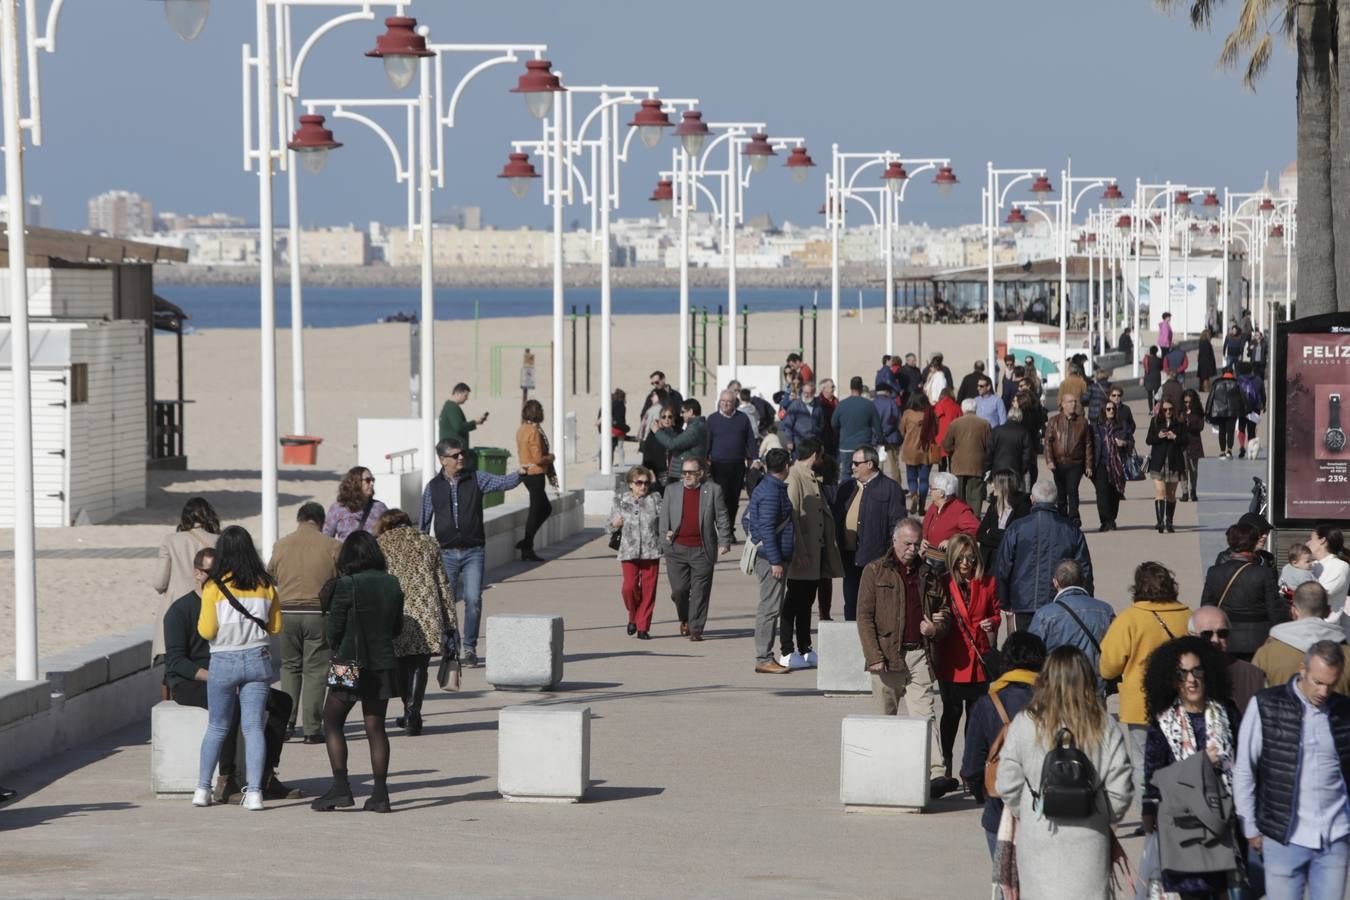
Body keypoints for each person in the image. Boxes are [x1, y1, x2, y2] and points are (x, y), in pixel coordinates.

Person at [995, 647, 1135, 900]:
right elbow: (1121, 788)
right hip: (1090, 838)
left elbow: (1006, 783)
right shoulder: (1104, 724)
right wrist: (1099, 815)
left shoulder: (1025, 722)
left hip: (1038, 834)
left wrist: (1028, 810)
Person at [166, 546, 297, 803]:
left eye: (221, 571)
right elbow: (176, 661)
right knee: (230, 712)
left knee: (282, 702)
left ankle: (266, 774)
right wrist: (214, 675)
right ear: (197, 573)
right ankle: (226, 778)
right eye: (210, 572)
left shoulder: (225, 598)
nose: (217, 576)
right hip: (192, 680)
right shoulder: (180, 610)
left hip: (230, 671)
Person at [1233, 641, 1350, 900]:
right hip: (1284, 837)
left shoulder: (1344, 711)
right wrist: (1250, 826)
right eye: (1318, 682)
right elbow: (1244, 768)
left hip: (1335, 836)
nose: (1324, 691)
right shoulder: (1266, 705)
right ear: (1302, 670)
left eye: (1331, 684)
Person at [1140, 636, 1243, 897]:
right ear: (1171, 679)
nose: (1191, 679)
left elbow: (1243, 761)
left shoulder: (1226, 711)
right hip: (1183, 825)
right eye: (1182, 673)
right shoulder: (1163, 722)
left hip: (1224, 820)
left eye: (1197, 670)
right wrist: (1148, 813)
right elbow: (1154, 777)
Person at [310, 532, 405, 814]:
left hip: (348, 664)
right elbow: (396, 628)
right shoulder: (391, 583)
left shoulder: (346, 584)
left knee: (332, 722)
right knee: (376, 728)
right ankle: (380, 794)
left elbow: (332, 631)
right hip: (383, 663)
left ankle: (341, 787)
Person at [855, 518, 952, 789]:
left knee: (925, 715)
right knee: (884, 718)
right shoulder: (874, 571)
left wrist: (936, 627)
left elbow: (944, 610)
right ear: (894, 541)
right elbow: (863, 617)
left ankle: (935, 775)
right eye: (906, 543)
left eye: (915, 543)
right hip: (886, 657)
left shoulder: (929, 574)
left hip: (919, 654)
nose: (911, 549)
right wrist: (873, 656)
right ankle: (879, 772)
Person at [193, 525, 282, 811]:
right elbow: (276, 626)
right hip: (257, 658)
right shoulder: (265, 584)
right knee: (254, 727)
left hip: (224, 660)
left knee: (217, 726)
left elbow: (207, 630)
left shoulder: (213, 586)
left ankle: (202, 789)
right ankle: (254, 793)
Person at [419, 436, 525, 668]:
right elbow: (424, 524)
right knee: (446, 603)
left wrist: (521, 473)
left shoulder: (476, 478)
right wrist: (423, 554)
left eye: (461, 454)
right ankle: (450, 647)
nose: (460, 458)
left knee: (473, 599)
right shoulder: (432, 488)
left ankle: (469, 647)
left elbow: (504, 483)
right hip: (445, 553)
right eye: (455, 455)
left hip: (474, 551)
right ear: (442, 459)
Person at [1099, 561, 1193, 798]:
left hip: (1141, 701)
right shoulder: (1187, 615)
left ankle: (1150, 814)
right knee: (1178, 756)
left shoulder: (1129, 619)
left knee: (1143, 760)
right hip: (1180, 698)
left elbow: (1109, 667)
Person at [961, 631, 1047, 857]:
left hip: (999, 812)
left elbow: (971, 767)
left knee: (1006, 886)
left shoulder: (986, 704)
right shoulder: (1054, 701)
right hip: (1046, 813)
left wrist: (985, 796)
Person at [376, 509, 455, 737]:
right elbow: (443, 584)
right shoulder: (429, 543)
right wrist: (450, 623)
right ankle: (413, 712)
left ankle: (409, 710)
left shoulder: (381, 544)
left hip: (396, 612)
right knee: (419, 664)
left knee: (400, 663)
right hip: (426, 611)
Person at [267, 501, 340, 745]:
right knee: (316, 670)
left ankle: (286, 724)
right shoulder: (332, 546)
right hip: (318, 614)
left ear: (299, 519)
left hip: (287, 612)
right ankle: (311, 728)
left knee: (289, 667)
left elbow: (271, 575)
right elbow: (341, 577)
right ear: (321, 521)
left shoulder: (281, 544)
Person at [935, 534, 999, 791]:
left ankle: (971, 769)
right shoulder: (943, 583)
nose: (966, 563)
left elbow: (995, 612)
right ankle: (945, 765)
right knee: (951, 714)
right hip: (952, 660)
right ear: (952, 559)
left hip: (979, 661)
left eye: (970, 558)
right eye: (960, 558)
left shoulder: (988, 583)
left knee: (975, 719)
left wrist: (992, 623)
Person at [995, 480, 1094, 633]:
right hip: (1060, 603)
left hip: (1023, 603)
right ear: (1055, 501)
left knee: (1025, 653)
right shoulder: (1071, 530)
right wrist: (1086, 598)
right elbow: (1084, 569)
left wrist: (1004, 601)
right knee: (1055, 653)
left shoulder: (1017, 528)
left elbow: (1003, 567)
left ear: (1032, 500)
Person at [781, 438, 842, 667]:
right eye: (822, 455)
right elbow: (793, 516)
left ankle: (805, 647)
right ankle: (787, 650)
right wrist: (800, 550)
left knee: (807, 601)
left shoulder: (812, 476)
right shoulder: (795, 476)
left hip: (816, 553)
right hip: (803, 554)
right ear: (815, 454)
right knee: (793, 602)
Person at [658, 457, 731, 642]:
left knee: (700, 591)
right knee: (679, 591)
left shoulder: (713, 490)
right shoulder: (671, 490)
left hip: (702, 549)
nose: (687, 476)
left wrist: (724, 541)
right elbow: (663, 519)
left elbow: (722, 516)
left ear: (700, 473)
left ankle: (696, 628)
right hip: (676, 549)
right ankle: (685, 618)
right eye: (684, 472)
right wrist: (665, 545)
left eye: (691, 472)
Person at [832, 444, 906, 622]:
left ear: (870, 464)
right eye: (852, 463)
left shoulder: (891, 489)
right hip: (849, 558)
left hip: (875, 560)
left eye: (857, 463)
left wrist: (892, 556)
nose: (852, 467)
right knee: (851, 602)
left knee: (874, 605)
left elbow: (897, 525)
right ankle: (852, 640)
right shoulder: (847, 487)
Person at [1200, 521, 1287, 660]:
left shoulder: (1214, 572)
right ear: (1253, 543)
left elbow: (1207, 606)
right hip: (1259, 639)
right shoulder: (1263, 573)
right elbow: (1274, 609)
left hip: (1226, 637)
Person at [1028, 559, 1115, 691]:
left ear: (1055, 582)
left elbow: (1031, 655)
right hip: (1095, 687)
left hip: (1058, 689)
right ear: (1083, 580)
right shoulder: (1105, 610)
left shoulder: (1044, 615)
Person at [152, 496, 222, 660]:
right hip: (210, 606)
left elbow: (159, 583)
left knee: (174, 664)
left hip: (178, 608)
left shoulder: (171, 541)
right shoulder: (219, 541)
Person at [745, 448, 795, 674]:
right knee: (769, 608)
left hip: (770, 555)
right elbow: (765, 527)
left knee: (771, 607)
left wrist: (754, 534)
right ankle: (764, 657)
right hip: (770, 559)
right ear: (786, 467)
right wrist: (775, 559)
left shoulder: (765, 487)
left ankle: (765, 656)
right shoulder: (772, 492)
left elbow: (747, 519)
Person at [1254, 582, 1350, 694]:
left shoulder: (1266, 652)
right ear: (1328, 611)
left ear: (1293, 611)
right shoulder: (1346, 654)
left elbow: (1254, 692)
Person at [609, 466, 663, 640]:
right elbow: (608, 526)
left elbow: (664, 521)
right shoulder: (620, 500)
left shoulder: (655, 499)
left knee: (649, 590)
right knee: (629, 587)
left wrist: (667, 533)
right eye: (639, 482)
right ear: (630, 484)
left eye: (646, 483)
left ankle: (643, 626)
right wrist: (614, 524)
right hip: (628, 551)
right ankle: (633, 616)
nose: (643, 486)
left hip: (651, 550)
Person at [1190, 604, 1268, 718]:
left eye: (1222, 634)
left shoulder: (1253, 675)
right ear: (1191, 636)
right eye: (1207, 634)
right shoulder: (1179, 674)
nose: (1215, 640)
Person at [706, 390, 760, 540]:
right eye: (722, 401)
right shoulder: (712, 419)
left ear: (734, 403)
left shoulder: (742, 419)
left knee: (733, 499)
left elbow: (750, 439)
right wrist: (704, 459)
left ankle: (729, 529)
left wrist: (755, 458)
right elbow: (707, 441)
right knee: (720, 499)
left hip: (737, 465)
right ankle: (724, 530)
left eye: (728, 401)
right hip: (718, 465)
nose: (725, 404)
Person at [515, 399, 556, 563]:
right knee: (537, 511)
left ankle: (526, 543)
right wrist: (551, 457)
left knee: (544, 508)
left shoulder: (521, 429)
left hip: (526, 472)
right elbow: (539, 458)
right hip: (536, 474)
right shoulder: (533, 431)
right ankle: (527, 546)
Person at [1044, 393, 1093, 528]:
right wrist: (1049, 460)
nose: (1073, 404)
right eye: (1070, 402)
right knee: (1061, 492)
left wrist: (1089, 465)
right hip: (1058, 464)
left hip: (1075, 463)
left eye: (1075, 402)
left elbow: (1088, 444)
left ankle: (1074, 518)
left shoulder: (1082, 422)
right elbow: (1047, 442)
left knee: (1072, 490)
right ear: (1063, 404)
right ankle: (1061, 517)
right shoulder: (1054, 421)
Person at [1145, 395, 1187, 534]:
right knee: (1160, 492)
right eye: (1165, 410)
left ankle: (1169, 521)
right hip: (1159, 462)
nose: (1167, 412)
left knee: (1171, 494)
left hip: (1174, 462)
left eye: (1170, 409)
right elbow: (1148, 440)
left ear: (1173, 410)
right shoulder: (1155, 422)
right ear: (1161, 410)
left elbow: (1185, 441)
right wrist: (1158, 437)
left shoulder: (1179, 423)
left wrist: (1175, 437)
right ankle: (1160, 522)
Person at [1089, 395, 1132, 532]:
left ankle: (1112, 519)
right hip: (1101, 463)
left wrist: (1124, 443)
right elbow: (1089, 446)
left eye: (1113, 409)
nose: (1111, 411)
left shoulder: (1122, 425)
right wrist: (1089, 465)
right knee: (1102, 493)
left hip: (1118, 464)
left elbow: (1131, 442)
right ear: (1103, 411)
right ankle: (1104, 521)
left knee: (1114, 493)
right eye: (1108, 409)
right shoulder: (1096, 428)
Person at [975, 470, 1031, 574]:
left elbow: (1016, 537)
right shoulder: (994, 506)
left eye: (993, 483)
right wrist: (1003, 536)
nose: (990, 486)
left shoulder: (1022, 507)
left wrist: (992, 532)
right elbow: (980, 534)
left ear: (1002, 485)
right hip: (990, 560)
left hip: (1010, 560)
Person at [942, 399, 992, 511]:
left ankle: (960, 517)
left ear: (963, 409)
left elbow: (946, 445)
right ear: (975, 409)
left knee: (959, 495)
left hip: (958, 465)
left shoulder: (955, 423)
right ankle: (974, 519)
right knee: (975, 495)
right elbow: (989, 446)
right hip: (977, 465)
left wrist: (953, 451)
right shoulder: (985, 424)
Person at [921, 471, 980, 563]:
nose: (930, 491)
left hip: (947, 561)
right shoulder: (933, 506)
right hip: (929, 557)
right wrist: (923, 538)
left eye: (932, 488)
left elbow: (975, 529)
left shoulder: (960, 510)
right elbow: (925, 527)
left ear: (941, 493)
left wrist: (953, 542)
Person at [900, 392, 941, 514]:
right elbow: (936, 431)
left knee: (911, 478)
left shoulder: (907, 414)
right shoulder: (931, 414)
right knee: (924, 479)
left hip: (910, 450)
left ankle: (914, 496)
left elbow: (902, 431)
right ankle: (922, 505)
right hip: (926, 450)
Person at [653, 398, 711, 481]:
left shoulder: (695, 428)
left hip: (689, 472)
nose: (681, 415)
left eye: (683, 412)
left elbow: (672, 444)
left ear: (690, 412)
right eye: (663, 417)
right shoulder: (697, 426)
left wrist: (657, 431)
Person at [323, 467, 388, 541]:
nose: (372, 484)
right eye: (368, 480)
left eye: (373, 480)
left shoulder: (380, 507)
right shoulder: (337, 508)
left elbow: (389, 536)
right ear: (355, 482)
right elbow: (326, 538)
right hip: (346, 552)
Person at [831, 376, 882, 470]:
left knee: (846, 472)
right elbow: (878, 426)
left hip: (846, 446)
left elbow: (834, 424)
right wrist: (881, 441)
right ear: (861, 388)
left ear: (850, 387)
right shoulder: (869, 405)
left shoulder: (841, 405)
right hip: (864, 445)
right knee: (864, 474)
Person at [437, 382, 487, 467]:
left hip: (451, 450)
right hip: (454, 451)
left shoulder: (449, 406)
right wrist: (475, 422)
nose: (466, 398)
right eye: (465, 396)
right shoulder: (452, 407)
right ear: (458, 393)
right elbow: (459, 427)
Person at [1205, 366, 1248, 461]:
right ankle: (1229, 450)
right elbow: (1243, 398)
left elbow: (1211, 397)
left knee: (1222, 431)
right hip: (1233, 411)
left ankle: (1222, 451)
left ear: (1223, 373)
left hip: (1219, 411)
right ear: (1232, 373)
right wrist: (1246, 409)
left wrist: (1207, 411)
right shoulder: (1237, 383)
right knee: (1231, 431)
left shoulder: (1216, 383)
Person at [988, 405, 1035, 489]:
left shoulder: (997, 430)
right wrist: (1022, 469)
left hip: (998, 471)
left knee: (1000, 496)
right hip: (1016, 471)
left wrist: (988, 468)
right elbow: (1027, 455)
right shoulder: (1024, 432)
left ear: (1008, 416)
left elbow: (990, 452)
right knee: (1014, 497)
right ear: (1020, 417)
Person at [1310, 525, 1350, 617]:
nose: (1308, 543)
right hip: (1305, 623)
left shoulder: (1340, 566)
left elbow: (1321, 595)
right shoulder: (1311, 565)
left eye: (1311, 539)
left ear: (1322, 540)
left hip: (1325, 626)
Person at [779, 381, 823, 459]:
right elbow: (787, 425)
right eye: (804, 392)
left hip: (813, 442)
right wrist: (789, 441)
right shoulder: (795, 405)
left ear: (813, 392)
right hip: (799, 443)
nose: (806, 395)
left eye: (808, 393)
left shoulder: (818, 405)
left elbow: (821, 423)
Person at [1178, 388, 1206, 502]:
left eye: (1189, 402)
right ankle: (1184, 492)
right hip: (1182, 444)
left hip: (1194, 444)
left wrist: (1189, 425)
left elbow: (1200, 426)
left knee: (1193, 470)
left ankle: (1193, 491)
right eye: (1185, 402)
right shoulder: (1180, 412)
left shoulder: (1198, 412)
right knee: (1183, 469)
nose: (1187, 404)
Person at [873, 382, 903, 482]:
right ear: (887, 392)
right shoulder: (892, 403)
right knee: (894, 463)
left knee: (878, 463)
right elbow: (896, 420)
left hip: (877, 438)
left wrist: (879, 434)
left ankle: (878, 484)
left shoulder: (873, 403)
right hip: (891, 437)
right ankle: (897, 485)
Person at [1235, 361, 1266, 458]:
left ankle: (1241, 447)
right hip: (1255, 407)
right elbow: (1263, 394)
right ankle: (1251, 448)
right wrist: (1264, 405)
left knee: (1241, 427)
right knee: (1251, 429)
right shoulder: (1258, 379)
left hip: (1242, 407)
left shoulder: (1239, 380)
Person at [640, 404, 675, 485]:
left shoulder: (678, 434)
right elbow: (647, 455)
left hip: (674, 474)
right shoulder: (653, 434)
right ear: (660, 418)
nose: (667, 419)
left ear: (673, 418)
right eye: (664, 417)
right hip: (658, 473)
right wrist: (650, 471)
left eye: (670, 417)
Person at [932, 387, 962, 471]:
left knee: (941, 467)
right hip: (953, 439)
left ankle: (942, 483)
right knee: (953, 466)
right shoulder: (956, 407)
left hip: (939, 439)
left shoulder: (937, 406)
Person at [817, 378, 840, 460]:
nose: (834, 388)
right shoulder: (818, 402)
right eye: (832, 387)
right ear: (824, 389)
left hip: (835, 438)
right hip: (823, 438)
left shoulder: (836, 401)